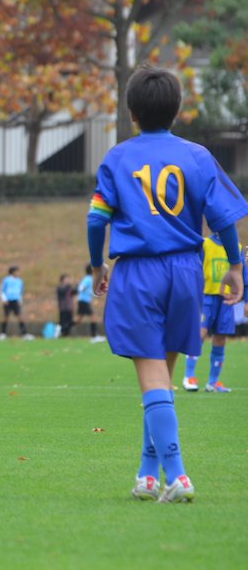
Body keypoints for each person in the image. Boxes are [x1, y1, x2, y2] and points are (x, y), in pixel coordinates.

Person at [87, 65, 248, 503]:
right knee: (161, 377)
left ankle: (176, 476)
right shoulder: (197, 156)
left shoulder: (118, 157)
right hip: (185, 272)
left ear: (131, 113)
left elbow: (96, 217)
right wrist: (235, 265)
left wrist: (97, 266)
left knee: (153, 377)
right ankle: (145, 474)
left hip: (140, 272)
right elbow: (224, 219)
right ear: (176, 111)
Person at [181, 233, 248, 393]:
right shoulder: (204, 244)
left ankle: (213, 381)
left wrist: (246, 300)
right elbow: (193, 268)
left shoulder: (236, 247)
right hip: (206, 297)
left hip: (226, 299)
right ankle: (189, 376)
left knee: (220, 337)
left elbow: (243, 275)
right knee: (200, 334)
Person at [0, 265, 31, 340]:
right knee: (6, 317)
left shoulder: (19, 281)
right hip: (8, 301)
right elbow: (2, 290)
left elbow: (20, 292)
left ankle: (25, 334)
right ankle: (3, 334)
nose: (18, 273)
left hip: (15, 300)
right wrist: (4, 299)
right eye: (17, 271)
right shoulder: (6, 280)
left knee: (20, 317)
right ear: (12, 272)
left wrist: (20, 300)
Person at [76, 264, 103, 342]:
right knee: (93, 317)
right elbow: (81, 287)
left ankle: (63, 329)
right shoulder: (88, 279)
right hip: (84, 301)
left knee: (78, 320)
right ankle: (94, 337)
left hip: (83, 301)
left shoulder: (89, 278)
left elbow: (89, 290)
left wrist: (95, 294)